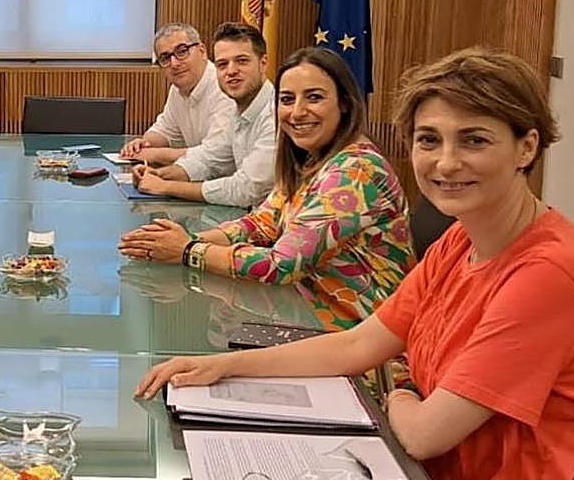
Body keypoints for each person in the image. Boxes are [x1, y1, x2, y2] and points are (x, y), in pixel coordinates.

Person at [136, 47, 574, 480]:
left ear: (527, 146)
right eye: (429, 140)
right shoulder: (460, 241)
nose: (445, 163)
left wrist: (399, 383)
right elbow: (358, 345)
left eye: (474, 140)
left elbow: (422, 433)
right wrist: (226, 368)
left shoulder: (549, 273)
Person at [119, 47, 413, 330]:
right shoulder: (310, 161)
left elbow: (281, 265)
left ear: (345, 103)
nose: (297, 112)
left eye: (314, 97)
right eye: (287, 99)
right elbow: (261, 223)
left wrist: (188, 250)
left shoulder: (355, 170)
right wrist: (180, 240)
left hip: (364, 352)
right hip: (311, 323)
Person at [132, 22, 276, 208]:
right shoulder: (239, 107)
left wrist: (166, 186)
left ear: (263, 63)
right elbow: (210, 157)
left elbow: (246, 190)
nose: (231, 71)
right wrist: (160, 174)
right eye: (223, 64)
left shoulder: (277, 114)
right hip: (251, 221)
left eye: (242, 61)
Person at [118, 22, 235, 164]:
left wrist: (156, 154)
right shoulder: (178, 89)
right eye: (165, 58)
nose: (174, 63)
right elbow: (165, 130)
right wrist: (143, 144)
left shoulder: (225, 87)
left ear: (202, 51)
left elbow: (216, 154)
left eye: (182, 52)